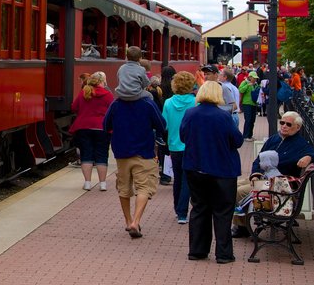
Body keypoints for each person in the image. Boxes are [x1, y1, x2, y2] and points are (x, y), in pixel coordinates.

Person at [180, 81, 244, 264]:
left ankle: (197, 250)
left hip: (195, 166)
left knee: (200, 207)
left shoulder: (190, 113)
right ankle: (223, 253)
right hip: (222, 169)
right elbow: (237, 140)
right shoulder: (223, 116)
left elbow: (183, 136)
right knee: (223, 211)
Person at [231, 110, 314, 237]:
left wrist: (308, 157)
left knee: (239, 191)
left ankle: (242, 227)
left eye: (288, 124)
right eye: (282, 122)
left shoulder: (300, 144)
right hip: (263, 178)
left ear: (298, 127)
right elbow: (258, 159)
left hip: (278, 186)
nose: (284, 126)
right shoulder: (274, 139)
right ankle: (242, 223)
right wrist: (255, 174)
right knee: (232, 185)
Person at [103, 70, 167, 239]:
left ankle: (128, 220)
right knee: (144, 187)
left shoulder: (116, 104)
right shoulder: (147, 103)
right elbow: (161, 124)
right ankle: (136, 221)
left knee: (124, 188)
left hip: (121, 152)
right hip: (144, 151)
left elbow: (105, 124)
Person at [162, 70, 197, 224]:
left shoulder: (168, 102)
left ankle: (178, 209)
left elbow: (165, 124)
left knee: (177, 178)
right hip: (191, 145)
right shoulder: (195, 102)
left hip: (174, 145)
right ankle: (183, 212)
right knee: (187, 179)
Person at [70, 71, 114, 191]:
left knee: (86, 155)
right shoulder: (108, 95)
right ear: (102, 82)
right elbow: (113, 111)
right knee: (102, 155)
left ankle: (88, 183)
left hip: (84, 128)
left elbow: (74, 107)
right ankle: (103, 184)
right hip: (102, 128)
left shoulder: (84, 92)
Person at [239, 71, 260, 139]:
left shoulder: (255, 84)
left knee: (252, 120)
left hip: (254, 103)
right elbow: (240, 90)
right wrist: (247, 85)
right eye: (254, 78)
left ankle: (250, 135)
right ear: (250, 77)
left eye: (256, 78)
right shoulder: (244, 82)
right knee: (248, 119)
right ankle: (245, 136)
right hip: (247, 103)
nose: (255, 79)